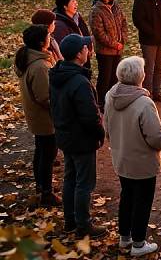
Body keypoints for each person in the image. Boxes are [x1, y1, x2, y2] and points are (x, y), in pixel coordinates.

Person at [104, 56, 161, 257]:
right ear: (140, 76)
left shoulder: (110, 95)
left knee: (127, 196)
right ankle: (139, 244)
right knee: (143, 201)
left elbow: (107, 126)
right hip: (142, 163)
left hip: (121, 158)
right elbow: (156, 138)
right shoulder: (144, 103)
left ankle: (125, 237)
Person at [49, 34, 106, 238]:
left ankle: (70, 220)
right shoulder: (79, 82)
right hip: (81, 139)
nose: (88, 50)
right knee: (84, 183)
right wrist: (100, 133)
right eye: (85, 47)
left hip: (65, 135)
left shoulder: (57, 75)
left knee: (70, 178)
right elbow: (90, 117)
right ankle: (83, 224)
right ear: (78, 54)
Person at [15, 24, 60, 207]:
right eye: (49, 36)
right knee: (47, 154)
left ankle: (41, 187)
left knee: (42, 152)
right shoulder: (40, 66)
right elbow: (44, 97)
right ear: (42, 42)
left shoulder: (30, 58)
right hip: (45, 120)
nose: (51, 38)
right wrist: (60, 108)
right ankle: (46, 192)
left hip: (37, 117)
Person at [89, 0, 128, 111]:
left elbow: (123, 23)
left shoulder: (116, 6)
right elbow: (99, 33)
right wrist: (114, 44)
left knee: (115, 78)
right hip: (105, 51)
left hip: (118, 49)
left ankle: (113, 100)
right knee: (105, 78)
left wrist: (123, 40)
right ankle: (102, 104)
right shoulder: (96, 10)